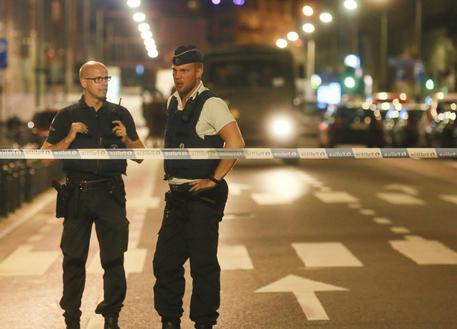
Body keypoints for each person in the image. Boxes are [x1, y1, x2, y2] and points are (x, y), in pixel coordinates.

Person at [41, 61, 145, 329]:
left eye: (106, 78)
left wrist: (126, 139)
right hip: (78, 192)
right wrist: (69, 137)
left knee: (113, 258)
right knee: (73, 259)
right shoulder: (66, 116)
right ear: (84, 83)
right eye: (97, 78)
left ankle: (112, 315)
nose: (104, 83)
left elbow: (141, 156)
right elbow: (44, 158)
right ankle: (72, 317)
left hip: (110, 192)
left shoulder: (120, 113)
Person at [152, 45, 245, 329]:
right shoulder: (173, 102)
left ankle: (204, 323)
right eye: (175, 71)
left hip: (202, 197)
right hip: (177, 197)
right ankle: (170, 321)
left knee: (203, 266)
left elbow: (236, 143)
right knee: (165, 264)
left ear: (199, 71)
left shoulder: (210, 103)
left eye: (185, 71)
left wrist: (214, 180)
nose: (179, 77)